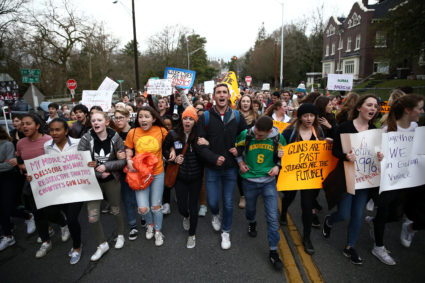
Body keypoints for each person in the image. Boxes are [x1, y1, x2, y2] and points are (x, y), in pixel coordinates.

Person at [322, 94, 379, 265]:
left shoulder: (374, 130)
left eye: (375, 106)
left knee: (357, 215)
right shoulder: (345, 127)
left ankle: (350, 247)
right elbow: (335, 151)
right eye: (369, 105)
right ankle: (329, 220)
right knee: (344, 214)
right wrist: (346, 156)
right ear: (359, 108)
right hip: (347, 177)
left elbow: (376, 153)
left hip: (365, 179)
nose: (373, 109)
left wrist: (380, 155)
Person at [371, 94, 424, 265]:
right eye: (420, 108)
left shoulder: (416, 128)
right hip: (390, 180)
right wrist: (379, 155)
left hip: (409, 179)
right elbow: (377, 155)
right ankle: (378, 246)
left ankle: (374, 222)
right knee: (384, 211)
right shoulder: (388, 130)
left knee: (396, 215)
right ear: (408, 110)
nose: (422, 112)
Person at [197, 83, 247, 250]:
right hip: (212, 168)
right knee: (212, 202)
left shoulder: (237, 116)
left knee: (227, 202)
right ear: (214, 96)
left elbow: (246, 139)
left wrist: (239, 149)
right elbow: (199, 145)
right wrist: (213, 157)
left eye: (224, 92)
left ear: (228, 96)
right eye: (218, 92)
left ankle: (226, 232)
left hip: (231, 168)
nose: (221, 95)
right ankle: (215, 215)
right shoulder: (205, 117)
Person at [235, 116, 285, 270]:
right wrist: (241, 163)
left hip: (268, 182)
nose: (257, 137)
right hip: (249, 181)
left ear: (269, 132)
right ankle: (252, 222)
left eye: (260, 136)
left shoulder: (278, 137)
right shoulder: (246, 134)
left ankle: (273, 251)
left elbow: (286, 156)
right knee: (250, 210)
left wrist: (278, 165)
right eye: (255, 133)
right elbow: (237, 151)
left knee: (272, 217)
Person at [16, 114, 69, 258]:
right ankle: (46, 241)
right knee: (38, 213)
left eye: (28, 123)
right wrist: (25, 169)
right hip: (32, 184)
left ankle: (63, 224)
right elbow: (20, 163)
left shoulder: (49, 140)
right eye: (22, 124)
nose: (24, 126)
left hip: (50, 183)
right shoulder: (20, 143)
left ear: (37, 125)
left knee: (51, 211)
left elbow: (59, 161)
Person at [78, 111, 127, 261]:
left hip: (111, 180)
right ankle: (102, 244)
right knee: (92, 217)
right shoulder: (86, 138)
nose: (96, 123)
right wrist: (99, 173)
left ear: (106, 122)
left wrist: (107, 167)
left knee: (115, 209)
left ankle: (120, 235)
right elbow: (80, 161)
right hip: (92, 182)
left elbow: (123, 161)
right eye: (93, 121)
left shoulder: (115, 137)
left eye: (99, 120)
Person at [280, 104, 325, 255]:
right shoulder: (290, 132)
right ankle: (283, 212)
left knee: (307, 206)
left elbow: (323, 153)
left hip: (309, 176)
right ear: (299, 117)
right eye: (305, 116)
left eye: (312, 115)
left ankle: (306, 237)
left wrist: (328, 145)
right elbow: (279, 146)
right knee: (289, 197)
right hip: (292, 174)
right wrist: (279, 152)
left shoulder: (318, 131)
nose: (309, 118)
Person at [125, 106, 168, 247]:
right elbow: (128, 149)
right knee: (143, 208)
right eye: (140, 116)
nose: (143, 119)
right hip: (140, 175)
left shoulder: (161, 131)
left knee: (156, 206)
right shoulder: (133, 132)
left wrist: (173, 150)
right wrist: (128, 159)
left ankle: (158, 231)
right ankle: (150, 224)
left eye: (146, 116)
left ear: (154, 119)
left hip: (157, 174)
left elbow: (170, 144)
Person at [43, 118, 83, 264]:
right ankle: (63, 224)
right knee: (51, 213)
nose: (54, 133)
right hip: (59, 189)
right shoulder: (47, 146)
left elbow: (85, 162)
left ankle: (77, 247)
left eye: (58, 129)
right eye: (51, 130)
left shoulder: (78, 144)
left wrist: (90, 164)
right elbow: (46, 166)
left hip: (77, 188)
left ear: (66, 131)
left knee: (72, 218)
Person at [162, 107, 204, 248]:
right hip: (180, 176)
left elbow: (207, 150)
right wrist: (172, 157)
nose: (188, 121)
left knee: (193, 206)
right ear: (181, 119)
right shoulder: (173, 134)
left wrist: (207, 143)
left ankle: (192, 235)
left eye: (191, 119)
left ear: (195, 121)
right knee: (181, 207)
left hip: (196, 176)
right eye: (185, 118)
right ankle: (185, 216)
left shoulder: (199, 135)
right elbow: (164, 149)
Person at [112, 108, 144, 240]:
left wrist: (129, 156)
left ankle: (144, 217)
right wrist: (117, 156)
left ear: (127, 117)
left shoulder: (136, 131)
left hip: (137, 170)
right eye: (116, 118)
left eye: (120, 117)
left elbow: (143, 150)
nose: (118, 120)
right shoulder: (113, 135)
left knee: (140, 197)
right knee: (127, 199)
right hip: (122, 172)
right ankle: (132, 226)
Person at [236, 95, 259, 209]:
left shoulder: (256, 116)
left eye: (248, 101)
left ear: (251, 103)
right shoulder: (234, 115)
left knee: (251, 170)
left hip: (252, 148)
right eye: (243, 101)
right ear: (240, 103)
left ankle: (252, 192)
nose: (245, 103)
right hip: (239, 148)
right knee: (240, 172)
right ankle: (243, 196)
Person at [0, 126, 19, 251]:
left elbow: (9, 165)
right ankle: (8, 231)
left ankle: (8, 235)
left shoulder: (7, 145)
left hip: (7, 179)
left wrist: (4, 164)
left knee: (6, 208)